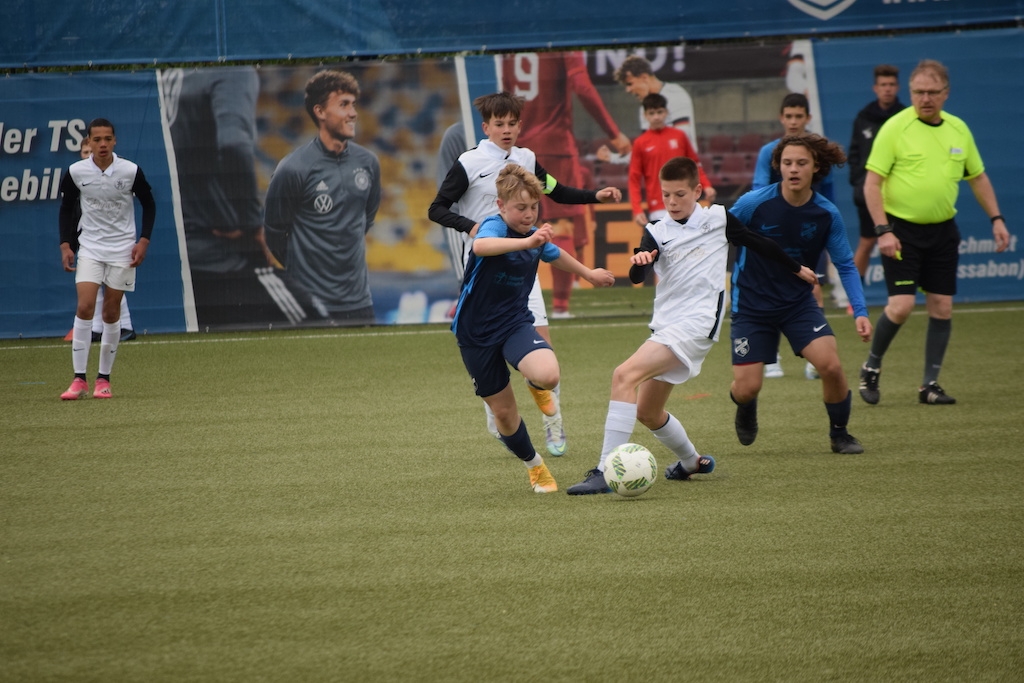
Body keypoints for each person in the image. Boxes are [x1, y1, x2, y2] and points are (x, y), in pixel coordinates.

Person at [567, 156, 817, 495]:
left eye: (680, 194)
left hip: (697, 325)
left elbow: (759, 243)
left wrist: (796, 268)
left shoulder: (718, 219)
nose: (672, 202)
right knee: (648, 412)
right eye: (666, 195)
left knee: (623, 375)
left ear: (698, 191)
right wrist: (640, 262)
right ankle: (691, 462)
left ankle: (603, 471)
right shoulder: (656, 230)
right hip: (666, 328)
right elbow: (638, 275)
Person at [429, 91, 622, 457]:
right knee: (492, 356)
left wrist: (595, 196)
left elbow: (557, 191)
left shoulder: (526, 159)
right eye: (499, 124)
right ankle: (498, 412)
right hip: (485, 269)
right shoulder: (469, 162)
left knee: (543, 351)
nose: (506, 129)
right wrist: (471, 227)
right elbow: (436, 208)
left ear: (520, 126)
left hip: (523, 263)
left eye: (512, 123)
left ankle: (553, 422)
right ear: (486, 127)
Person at [452, 164, 615, 493]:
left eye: (534, 207)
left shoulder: (534, 235)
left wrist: (589, 274)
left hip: (514, 322)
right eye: (521, 208)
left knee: (549, 375)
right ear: (501, 206)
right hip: (475, 333)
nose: (528, 215)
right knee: (504, 414)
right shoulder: (494, 226)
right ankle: (535, 465)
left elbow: (554, 254)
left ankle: (536, 385)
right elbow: (481, 247)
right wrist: (527, 243)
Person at [857, 59, 1011, 406]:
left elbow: (978, 177)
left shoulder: (959, 129)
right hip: (900, 231)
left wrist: (997, 219)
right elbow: (872, 183)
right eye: (918, 92)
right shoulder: (895, 127)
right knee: (901, 307)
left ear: (946, 93)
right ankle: (871, 367)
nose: (925, 98)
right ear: (911, 92)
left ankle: (929, 385)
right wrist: (883, 230)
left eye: (932, 92)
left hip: (943, 232)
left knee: (942, 307)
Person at [729, 134, 872, 455]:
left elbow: (845, 265)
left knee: (831, 366)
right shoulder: (753, 203)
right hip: (751, 305)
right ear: (778, 166)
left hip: (797, 304)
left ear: (815, 167)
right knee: (746, 388)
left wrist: (860, 311)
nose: (793, 169)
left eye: (801, 163)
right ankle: (746, 405)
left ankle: (840, 434)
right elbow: (718, 232)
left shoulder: (826, 214)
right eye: (787, 163)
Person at [500, 51, 632, 318]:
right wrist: (614, 133)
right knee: (560, 227)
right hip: (556, 147)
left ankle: (507, 302)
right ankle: (560, 308)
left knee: (512, 226)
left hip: (520, 149)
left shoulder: (510, 44)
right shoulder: (562, 42)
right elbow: (582, 87)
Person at [162, 66, 281, 329]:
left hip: (160, 251)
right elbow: (233, 145)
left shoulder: (160, 72)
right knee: (319, 317)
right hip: (217, 253)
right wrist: (251, 225)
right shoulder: (232, 68)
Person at [264, 69, 382, 326]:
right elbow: (274, 232)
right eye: (343, 105)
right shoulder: (293, 168)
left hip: (360, 302)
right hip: (310, 305)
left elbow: (366, 219)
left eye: (353, 104)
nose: (353, 113)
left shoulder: (368, 163)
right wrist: (305, 268)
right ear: (320, 112)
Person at [57, 118, 156, 400]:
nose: (102, 144)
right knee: (85, 306)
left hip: (122, 250)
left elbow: (149, 204)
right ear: (88, 142)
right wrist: (66, 245)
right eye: (97, 139)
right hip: (90, 248)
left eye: (107, 139)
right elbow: (66, 208)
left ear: (114, 141)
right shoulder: (76, 171)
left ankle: (103, 379)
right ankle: (79, 379)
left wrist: (143, 241)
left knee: (111, 313)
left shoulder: (130, 170)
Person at [753, 92, 833, 381]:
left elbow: (828, 190)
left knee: (813, 286)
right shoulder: (769, 152)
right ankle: (771, 356)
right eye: (789, 116)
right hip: (774, 233)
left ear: (808, 118)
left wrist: (824, 223)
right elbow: (759, 188)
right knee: (770, 289)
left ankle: (814, 358)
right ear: (781, 118)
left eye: (799, 116)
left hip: (809, 231)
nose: (794, 121)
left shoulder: (819, 151)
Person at [64, 135, 136, 342]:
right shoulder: (78, 175)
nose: (90, 154)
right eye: (85, 152)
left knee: (114, 286)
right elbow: (70, 212)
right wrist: (68, 242)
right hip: (89, 239)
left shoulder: (120, 174)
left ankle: (125, 325)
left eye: (91, 150)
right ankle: (95, 328)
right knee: (90, 285)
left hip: (116, 241)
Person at [849, 64, 905, 278]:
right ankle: (853, 293)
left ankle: (901, 289)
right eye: (883, 84)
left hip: (899, 195)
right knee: (867, 242)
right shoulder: (864, 117)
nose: (887, 89)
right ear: (875, 88)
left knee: (901, 242)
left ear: (897, 87)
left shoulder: (905, 117)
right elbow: (854, 154)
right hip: (869, 194)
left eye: (891, 84)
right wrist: (859, 183)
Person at [628, 93, 715, 229]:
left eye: (659, 112)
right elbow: (634, 178)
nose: (656, 117)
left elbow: (694, 164)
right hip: (658, 205)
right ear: (645, 115)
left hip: (685, 201)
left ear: (666, 112)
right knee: (664, 242)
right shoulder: (640, 143)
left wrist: (706, 185)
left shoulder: (679, 136)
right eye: (651, 113)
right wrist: (636, 209)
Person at [613, 54, 697, 147]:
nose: (628, 90)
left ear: (644, 78)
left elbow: (682, 141)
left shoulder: (675, 94)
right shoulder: (644, 107)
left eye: (630, 84)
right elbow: (647, 147)